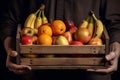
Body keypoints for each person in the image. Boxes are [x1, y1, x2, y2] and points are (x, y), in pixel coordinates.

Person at [0, 0, 120, 80]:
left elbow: (114, 23)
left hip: (91, 72)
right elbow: (10, 20)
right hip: (33, 71)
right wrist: (10, 49)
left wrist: (115, 50)